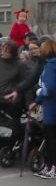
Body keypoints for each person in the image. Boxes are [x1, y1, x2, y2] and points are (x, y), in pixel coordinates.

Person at [32, 39, 56, 178]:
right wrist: (37, 101)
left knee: (50, 140)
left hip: (51, 110)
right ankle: (49, 166)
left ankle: (52, 167)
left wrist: (39, 93)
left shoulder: (50, 67)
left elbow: (49, 89)